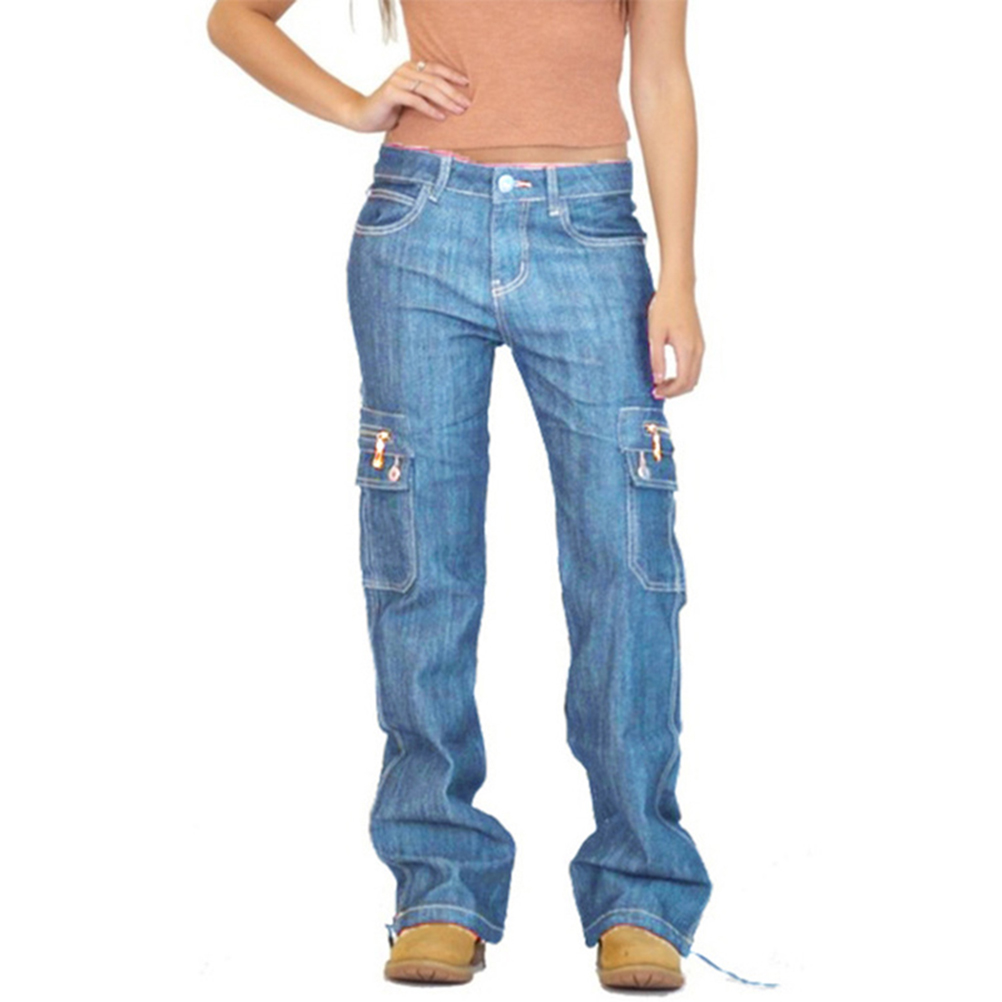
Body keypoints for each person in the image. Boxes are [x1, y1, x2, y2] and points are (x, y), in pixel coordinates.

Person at [207, 0, 776, 991]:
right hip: (419, 221)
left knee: (627, 559)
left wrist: (680, 276)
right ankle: (439, 886)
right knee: (421, 562)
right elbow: (235, 17)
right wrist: (354, 105)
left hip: (590, 230)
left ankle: (641, 889)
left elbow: (661, 78)